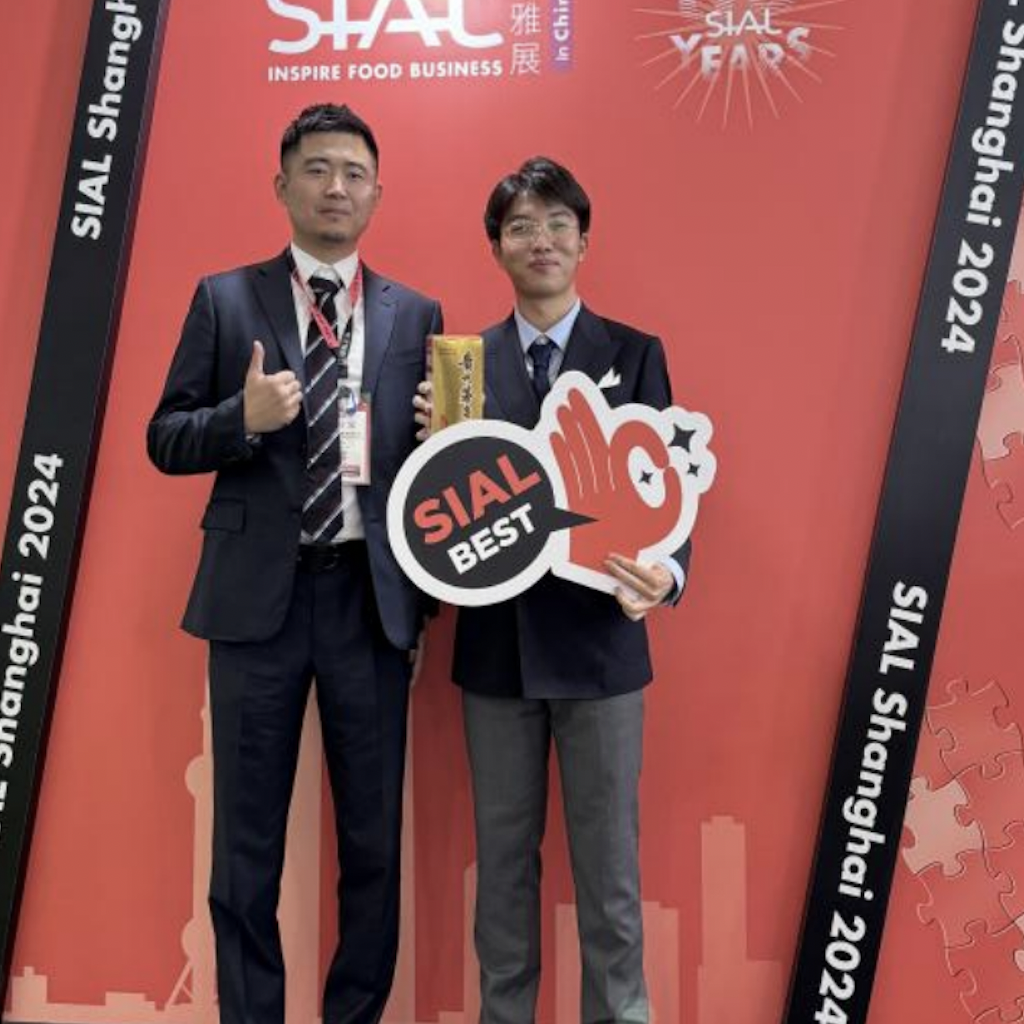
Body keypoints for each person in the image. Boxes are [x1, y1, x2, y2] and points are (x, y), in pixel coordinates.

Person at [148, 103, 442, 1024]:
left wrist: (443, 433)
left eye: (353, 173)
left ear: (377, 194)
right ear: (282, 187)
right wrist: (241, 420)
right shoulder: (224, 299)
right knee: (244, 849)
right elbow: (165, 437)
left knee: (374, 846)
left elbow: (432, 470)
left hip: (368, 602)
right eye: (317, 170)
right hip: (254, 609)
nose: (335, 188)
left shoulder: (415, 313)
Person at [415, 156, 691, 1024]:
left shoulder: (635, 354)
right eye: (522, 227)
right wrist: (430, 450)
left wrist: (668, 573)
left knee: (610, 872)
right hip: (496, 650)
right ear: (497, 246)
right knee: (503, 869)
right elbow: (439, 506)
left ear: (583, 241)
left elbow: (670, 485)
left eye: (557, 224)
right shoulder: (462, 364)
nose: (541, 240)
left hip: (602, 646)